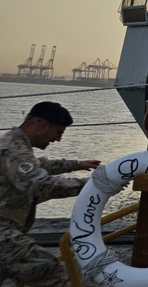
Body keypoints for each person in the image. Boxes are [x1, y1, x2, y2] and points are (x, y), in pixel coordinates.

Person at [0, 102, 100, 287]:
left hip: (8, 228)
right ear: (42, 125)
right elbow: (42, 185)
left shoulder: (15, 145)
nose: (58, 140)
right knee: (46, 267)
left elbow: (40, 165)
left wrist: (77, 164)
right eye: (59, 132)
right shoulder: (13, 150)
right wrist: (95, 185)